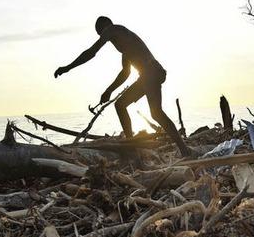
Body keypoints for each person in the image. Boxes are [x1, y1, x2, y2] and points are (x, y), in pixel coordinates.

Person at [54, 16, 192, 157]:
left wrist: (68, 67)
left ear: (105, 27)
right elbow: (125, 73)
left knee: (156, 112)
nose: (104, 38)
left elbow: (92, 52)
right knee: (120, 105)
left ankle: (184, 149)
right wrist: (109, 91)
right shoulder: (125, 46)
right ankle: (132, 146)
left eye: (101, 34)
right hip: (146, 76)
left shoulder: (114, 29)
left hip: (151, 72)